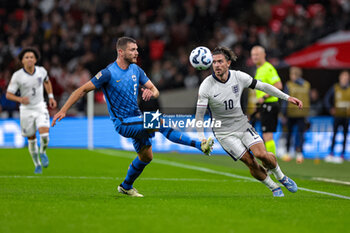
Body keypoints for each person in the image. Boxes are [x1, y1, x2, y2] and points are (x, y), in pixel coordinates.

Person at [51, 37, 213, 197]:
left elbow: (155, 90)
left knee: (146, 156)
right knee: (160, 122)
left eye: (136, 49)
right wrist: (63, 109)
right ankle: (199, 145)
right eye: (132, 50)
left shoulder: (136, 70)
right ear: (121, 52)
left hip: (136, 118)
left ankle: (126, 186)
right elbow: (82, 90)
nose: (136, 52)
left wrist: (151, 92)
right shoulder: (108, 73)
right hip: (123, 123)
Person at [195, 47, 302, 197]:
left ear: (228, 63)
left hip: (242, 124)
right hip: (223, 133)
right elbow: (199, 117)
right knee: (250, 162)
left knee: (262, 154)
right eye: (213, 62)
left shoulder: (239, 77)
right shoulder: (206, 85)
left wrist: (287, 97)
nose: (217, 65)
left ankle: (281, 177)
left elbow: (263, 86)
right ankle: (274, 187)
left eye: (220, 61)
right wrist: (202, 139)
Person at [6, 47, 57, 174]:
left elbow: (47, 82)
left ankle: (43, 152)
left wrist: (50, 97)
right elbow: (8, 94)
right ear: (22, 61)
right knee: (32, 138)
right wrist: (20, 99)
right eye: (26, 57)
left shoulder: (41, 71)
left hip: (40, 106)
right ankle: (37, 164)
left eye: (31, 57)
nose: (29, 59)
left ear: (35, 60)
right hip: (26, 110)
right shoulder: (17, 76)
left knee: (45, 135)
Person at [250, 46, 282, 157]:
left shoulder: (268, 68)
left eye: (257, 55)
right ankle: (269, 160)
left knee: (268, 135)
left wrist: (264, 97)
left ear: (264, 55)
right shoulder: (259, 70)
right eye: (253, 55)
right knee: (265, 135)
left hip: (270, 104)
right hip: (264, 105)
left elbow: (278, 85)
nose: (254, 57)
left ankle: (272, 162)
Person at [282, 67, 310, 164]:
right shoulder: (307, 85)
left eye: (292, 74)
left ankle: (288, 152)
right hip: (302, 113)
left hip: (291, 113)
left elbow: (285, 100)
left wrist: (283, 114)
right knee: (300, 134)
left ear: (295, 75)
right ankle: (299, 154)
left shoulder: (289, 85)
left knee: (289, 134)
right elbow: (308, 100)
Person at [324, 70, 350, 164]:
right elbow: (326, 99)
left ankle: (342, 154)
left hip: (346, 117)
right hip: (337, 116)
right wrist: (330, 109)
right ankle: (331, 153)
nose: (345, 79)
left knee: (345, 135)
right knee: (334, 134)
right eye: (343, 77)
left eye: (346, 78)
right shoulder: (335, 88)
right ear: (340, 78)